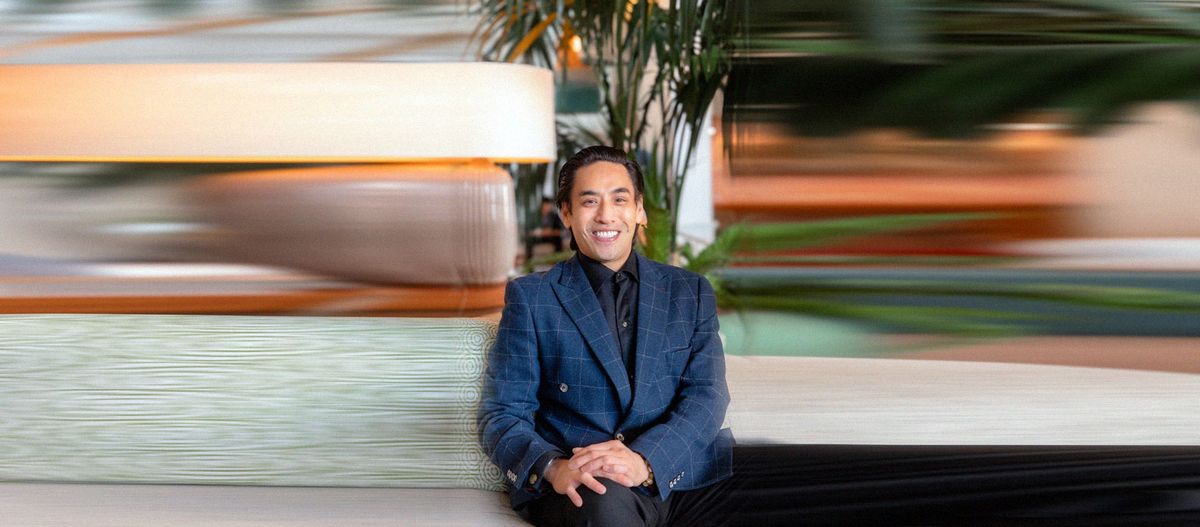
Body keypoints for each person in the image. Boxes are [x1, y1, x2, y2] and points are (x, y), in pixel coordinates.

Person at [479, 145, 735, 526]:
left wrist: (646, 462)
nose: (606, 215)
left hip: (680, 473)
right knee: (603, 505)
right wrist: (553, 467)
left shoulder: (689, 291)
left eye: (620, 199)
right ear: (566, 213)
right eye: (589, 201)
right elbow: (502, 413)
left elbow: (707, 396)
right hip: (589, 485)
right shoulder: (532, 298)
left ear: (639, 210)